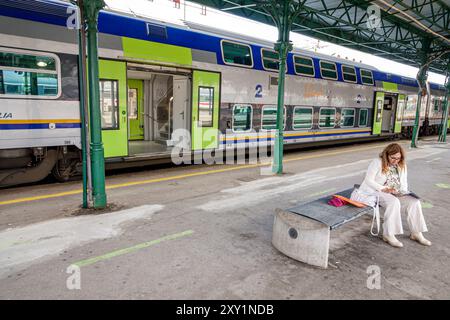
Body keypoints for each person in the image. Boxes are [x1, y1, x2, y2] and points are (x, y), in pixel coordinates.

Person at [352, 143, 431, 248]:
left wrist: (403, 192)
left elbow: (404, 182)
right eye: (393, 158)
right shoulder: (377, 162)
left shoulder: (402, 165)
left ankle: (416, 233)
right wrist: (384, 189)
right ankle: (388, 234)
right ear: (386, 155)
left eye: (398, 158)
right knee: (393, 202)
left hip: (394, 192)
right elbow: (368, 180)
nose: (395, 161)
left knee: (414, 201)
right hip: (375, 191)